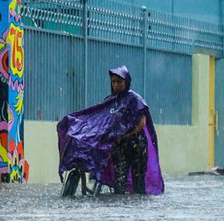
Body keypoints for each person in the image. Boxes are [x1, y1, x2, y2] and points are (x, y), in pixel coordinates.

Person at [57, 65, 164, 194]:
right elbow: (100, 120)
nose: (116, 85)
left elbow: (142, 122)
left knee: (138, 182)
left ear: (126, 82)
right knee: (119, 181)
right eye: (113, 82)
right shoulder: (110, 101)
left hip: (137, 147)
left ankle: (136, 209)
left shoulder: (135, 99)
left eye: (119, 82)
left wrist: (126, 135)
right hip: (119, 147)